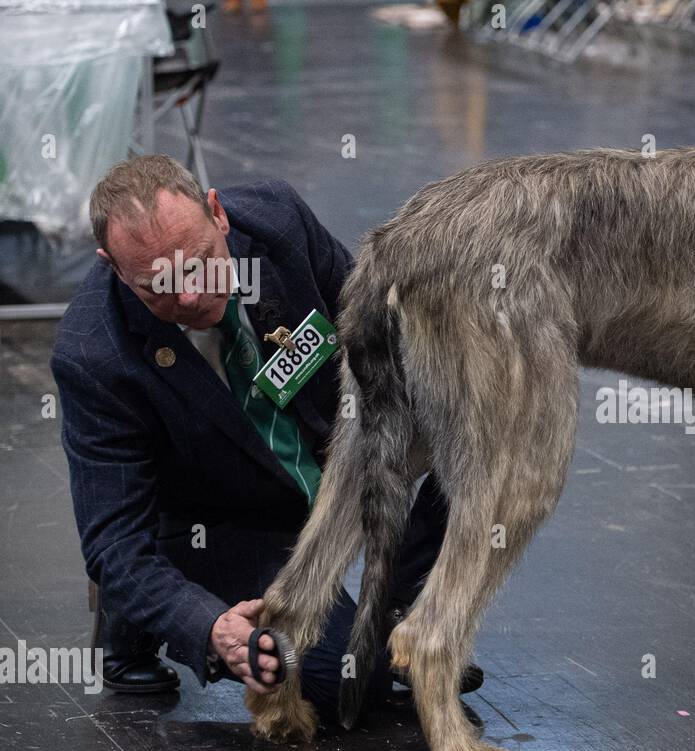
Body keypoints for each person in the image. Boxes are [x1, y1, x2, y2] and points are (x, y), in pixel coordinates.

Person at [51, 154, 479, 718]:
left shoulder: (277, 222)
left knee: (475, 434)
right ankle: (133, 614)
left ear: (218, 214)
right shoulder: (93, 354)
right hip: (222, 519)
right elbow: (113, 542)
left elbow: (378, 339)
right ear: (113, 266)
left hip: (329, 462)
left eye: (200, 264)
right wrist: (211, 628)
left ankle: (402, 607)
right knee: (345, 684)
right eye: (158, 286)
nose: (189, 297)